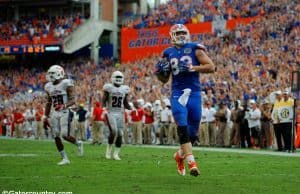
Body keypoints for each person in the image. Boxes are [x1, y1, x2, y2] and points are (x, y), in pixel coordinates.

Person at [155, 24, 215, 176]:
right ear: (172, 35)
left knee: (193, 134)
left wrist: (192, 67)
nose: (181, 35)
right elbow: (164, 79)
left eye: (183, 32)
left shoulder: (195, 48)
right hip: (177, 93)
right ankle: (192, 163)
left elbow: (211, 66)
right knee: (182, 126)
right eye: (178, 33)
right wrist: (160, 73)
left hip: (194, 93)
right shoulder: (168, 53)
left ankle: (179, 156)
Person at [44, 65, 83, 165]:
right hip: (55, 112)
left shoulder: (66, 83)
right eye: (50, 73)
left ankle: (78, 143)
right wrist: (45, 116)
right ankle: (65, 158)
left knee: (65, 135)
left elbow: (73, 100)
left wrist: (64, 105)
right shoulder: (48, 86)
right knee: (55, 135)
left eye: (52, 73)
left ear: (59, 73)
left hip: (65, 111)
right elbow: (49, 102)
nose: (50, 75)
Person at [102, 71, 131, 160]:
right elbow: (104, 99)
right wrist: (104, 109)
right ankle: (108, 151)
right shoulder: (109, 88)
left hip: (120, 113)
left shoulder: (125, 89)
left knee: (120, 133)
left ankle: (116, 154)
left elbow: (125, 102)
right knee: (114, 131)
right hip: (111, 111)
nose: (118, 79)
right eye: (117, 77)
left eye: (120, 77)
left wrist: (130, 108)